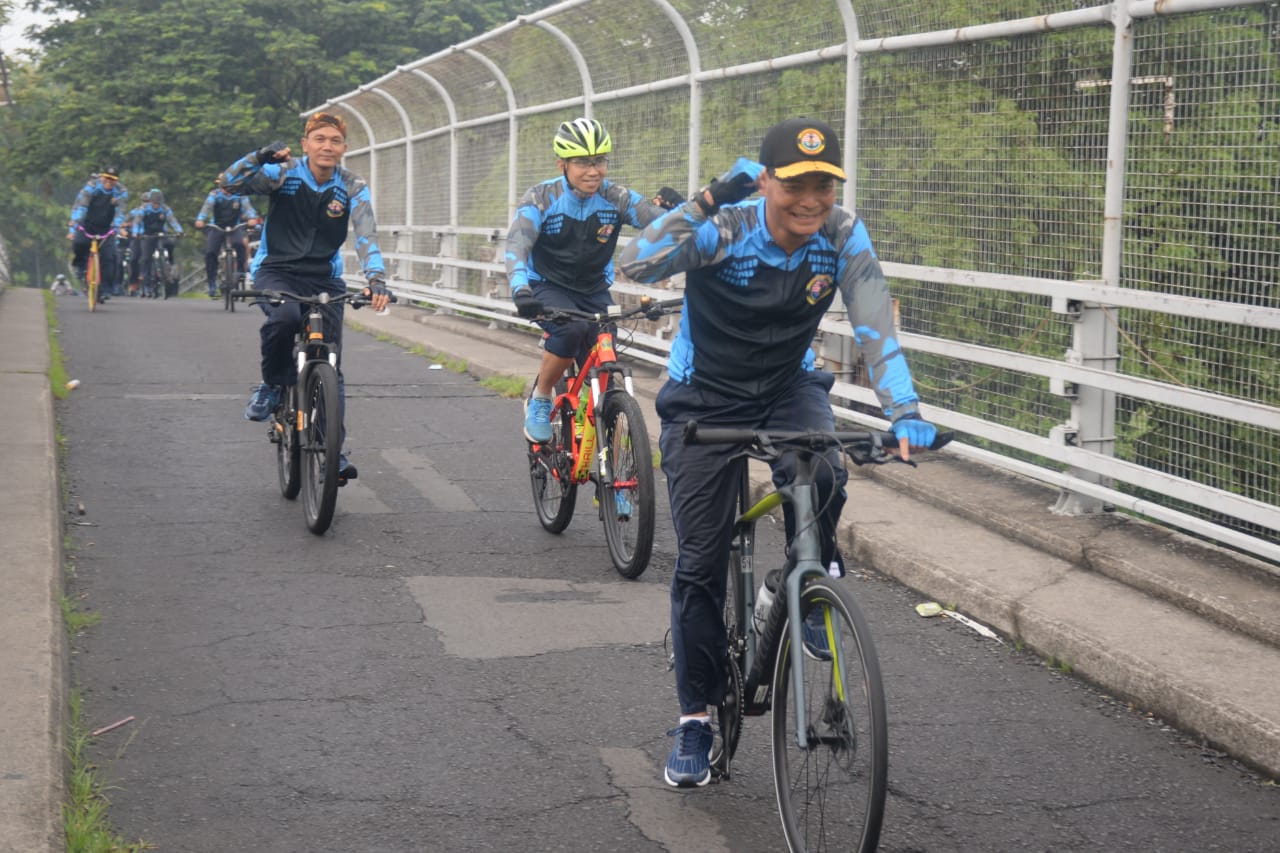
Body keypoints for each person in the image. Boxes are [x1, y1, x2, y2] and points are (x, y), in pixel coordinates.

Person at [618, 117, 939, 788]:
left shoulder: (842, 234)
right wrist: (706, 197)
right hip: (704, 397)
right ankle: (696, 719)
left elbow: (876, 325)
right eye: (794, 183)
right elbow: (637, 262)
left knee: (825, 467)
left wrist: (904, 411)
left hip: (788, 386)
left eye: (822, 184)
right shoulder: (726, 228)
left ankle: (806, 576)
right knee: (701, 562)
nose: (810, 199)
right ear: (765, 180)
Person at [218, 111, 389, 482]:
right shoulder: (283, 174)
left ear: (344, 148)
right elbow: (228, 185)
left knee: (331, 364)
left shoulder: (353, 185)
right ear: (306, 144)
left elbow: (366, 234)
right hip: (276, 271)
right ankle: (273, 384)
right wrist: (260, 156)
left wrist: (377, 280)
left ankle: (333, 452)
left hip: (323, 278)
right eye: (320, 139)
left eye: (335, 141)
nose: (327, 146)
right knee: (284, 319)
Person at [505, 117, 683, 443]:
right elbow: (518, 245)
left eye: (599, 161)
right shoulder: (541, 198)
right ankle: (542, 397)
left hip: (594, 289)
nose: (593, 171)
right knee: (571, 331)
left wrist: (686, 209)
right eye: (583, 163)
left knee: (606, 361)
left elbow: (661, 224)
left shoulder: (616, 197)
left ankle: (609, 444)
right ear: (562, 164)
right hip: (548, 285)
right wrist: (520, 289)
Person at [67, 166, 130, 301]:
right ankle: (80, 266)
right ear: (101, 177)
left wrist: (117, 227)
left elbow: (121, 211)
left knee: (110, 257)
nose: (109, 181)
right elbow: (82, 206)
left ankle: (106, 289)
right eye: (107, 178)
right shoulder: (91, 187)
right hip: (87, 224)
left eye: (112, 179)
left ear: (116, 180)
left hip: (107, 227)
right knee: (79, 243)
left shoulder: (121, 192)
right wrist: (76, 223)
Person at [195, 182, 259, 298]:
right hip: (217, 228)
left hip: (235, 227)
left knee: (240, 245)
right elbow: (206, 208)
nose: (226, 189)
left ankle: (240, 272)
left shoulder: (241, 195)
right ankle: (212, 282)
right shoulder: (214, 195)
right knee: (210, 252)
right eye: (224, 187)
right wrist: (201, 219)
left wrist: (252, 218)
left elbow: (248, 208)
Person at [133, 189, 184, 298]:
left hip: (161, 234)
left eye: (158, 203)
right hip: (147, 235)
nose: (156, 205)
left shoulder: (165, 209)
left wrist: (179, 230)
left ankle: (168, 263)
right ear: (150, 201)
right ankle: (146, 285)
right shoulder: (144, 209)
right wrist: (136, 233)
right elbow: (137, 222)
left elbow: (172, 221)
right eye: (154, 203)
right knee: (146, 259)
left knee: (170, 244)